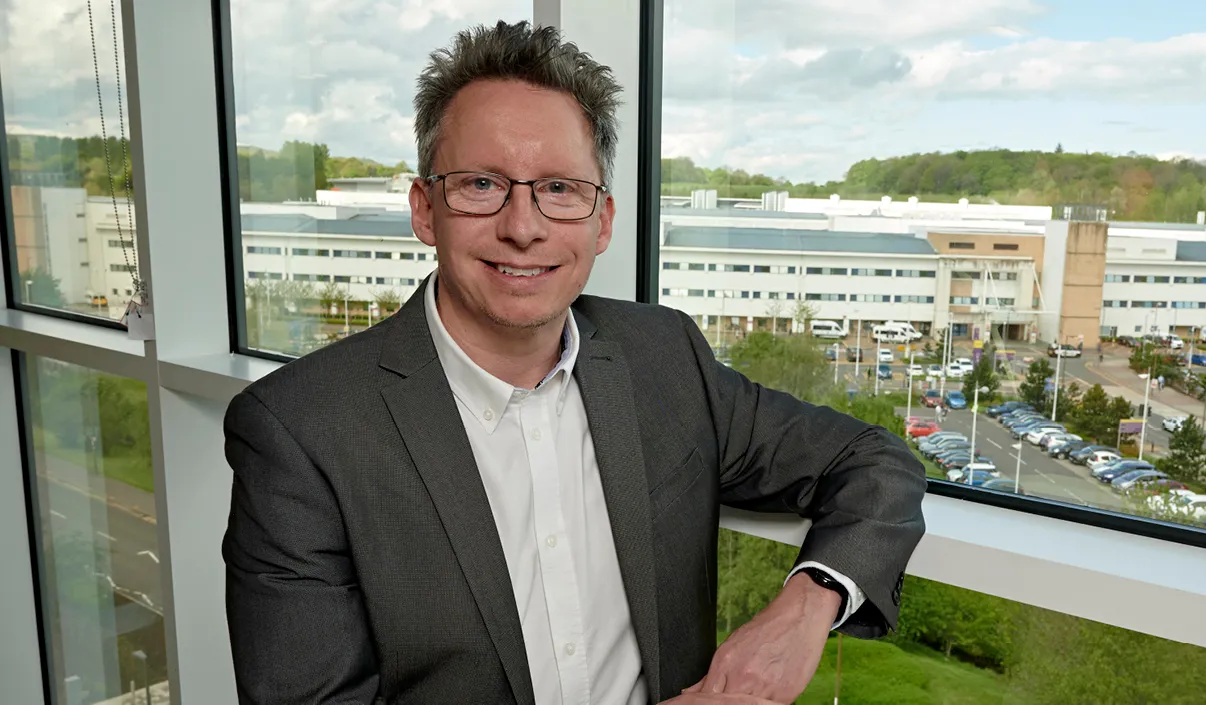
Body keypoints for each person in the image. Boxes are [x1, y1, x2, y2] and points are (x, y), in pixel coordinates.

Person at [220, 22, 925, 705]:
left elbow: (874, 461)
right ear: (425, 209)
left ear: (604, 221)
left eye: (559, 189)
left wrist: (806, 606)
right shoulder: (300, 431)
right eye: (480, 184)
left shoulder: (664, 357)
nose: (523, 227)